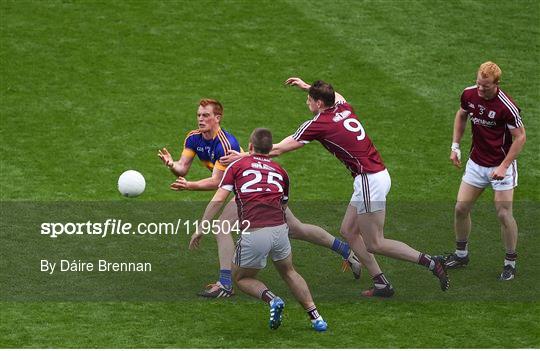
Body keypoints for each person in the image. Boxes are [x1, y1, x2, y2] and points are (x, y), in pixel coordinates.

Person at [224, 78, 449, 293]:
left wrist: (244, 156)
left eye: (309, 99)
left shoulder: (318, 124)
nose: (307, 103)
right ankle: (381, 283)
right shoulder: (343, 107)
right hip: (375, 175)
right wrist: (306, 86)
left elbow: (279, 148)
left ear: (319, 103)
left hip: (369, 180)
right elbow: (337, 94)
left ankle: (431, 262)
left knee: (375, 243)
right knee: (348, 231)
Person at [158, 98, 363, 299]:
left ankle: (225, 283)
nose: (200, 119)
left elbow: (217, 183)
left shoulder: (225, 144)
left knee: (222, 226)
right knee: (295, 228)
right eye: (198, 115)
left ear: (217, 118)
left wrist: (191, 188)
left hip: (252, 192)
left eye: (206, 115)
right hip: (257, 188)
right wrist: (171, 165)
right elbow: (182, 168)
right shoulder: (194, 138)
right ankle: (345, 249)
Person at [191, 128, 328, 331]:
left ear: (249, 146)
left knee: (242, 278)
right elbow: (282, 206)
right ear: (270, 148)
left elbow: (219, 198)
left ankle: (273, 300)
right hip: (280, 230)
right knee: (289, 271)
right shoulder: (281, 172)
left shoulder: (238, 165)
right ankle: (316, 318)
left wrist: (201, 227)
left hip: (255, 232)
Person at [446, 61, 526, 281]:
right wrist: (455, 146)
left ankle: (510, 262)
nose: (480, 90)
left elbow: (520, 137)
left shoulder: (506, 106)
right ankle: (461, 255)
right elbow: (462, 114)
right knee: (461, 208)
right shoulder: (469, 94)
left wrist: (504, 166)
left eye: (486, 86)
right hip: (476, 163)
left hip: (501, 165)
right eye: (478, 84)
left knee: (503, 213)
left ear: (496, 84)